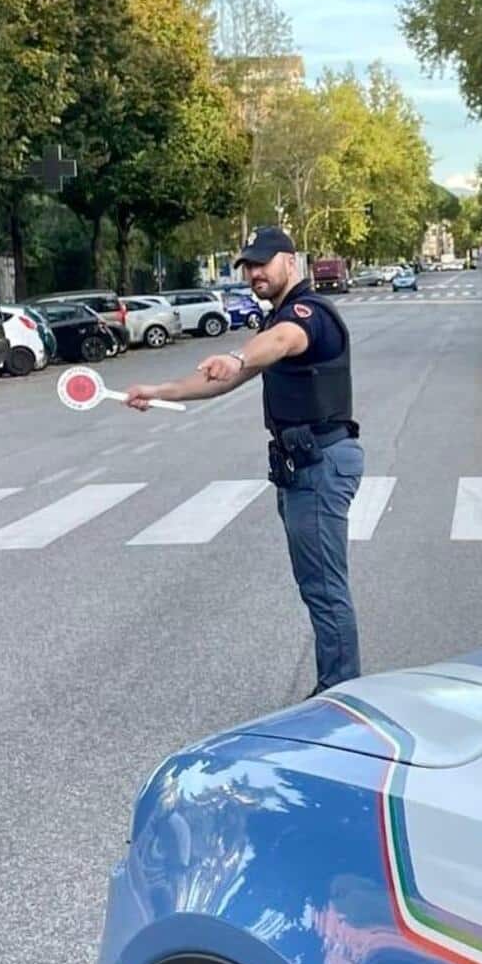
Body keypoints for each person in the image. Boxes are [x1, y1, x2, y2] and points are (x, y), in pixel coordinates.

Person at [124, 226, 364, 694]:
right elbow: (226, 380)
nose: (255, 272)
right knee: (317, 584)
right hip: (303, 464)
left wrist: (236, 354)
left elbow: (279, 345)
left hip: (320, 463)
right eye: (249, 265)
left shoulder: (305, 313)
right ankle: (338, 688)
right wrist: (157, 392)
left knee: (324, 588)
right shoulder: (275, 320)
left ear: (290, 262)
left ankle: (340, 696)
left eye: (263, 262)